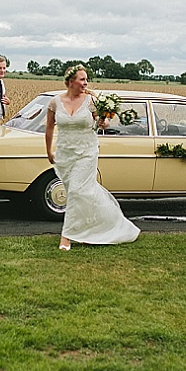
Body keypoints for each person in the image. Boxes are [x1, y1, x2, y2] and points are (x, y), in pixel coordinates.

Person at [45, 64, 140, 250]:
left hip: (87, 152)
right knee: (83, 193)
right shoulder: (55, 102)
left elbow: (102, 122)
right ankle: (100, 225)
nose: (85, 82)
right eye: (82, 79)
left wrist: (104, 121)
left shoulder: (90, 101)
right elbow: (49, 127)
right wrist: (48, 151)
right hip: (65, 154)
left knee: (74, 192)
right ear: (71, 81)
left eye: (86, 79)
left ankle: (66, 236)